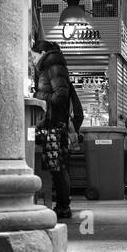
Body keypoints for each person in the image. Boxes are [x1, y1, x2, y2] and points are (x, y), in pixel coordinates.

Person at [32, 39, 83, 220]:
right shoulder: (52, 66)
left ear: (43, 52)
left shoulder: (53, 65)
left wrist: (37, 95)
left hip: (54, 124)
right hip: (54, 123)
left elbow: (60, 95)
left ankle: (63, 207)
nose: (32, 58)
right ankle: (61, 205)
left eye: (34, 55)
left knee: (58, 168)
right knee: (58, 168)